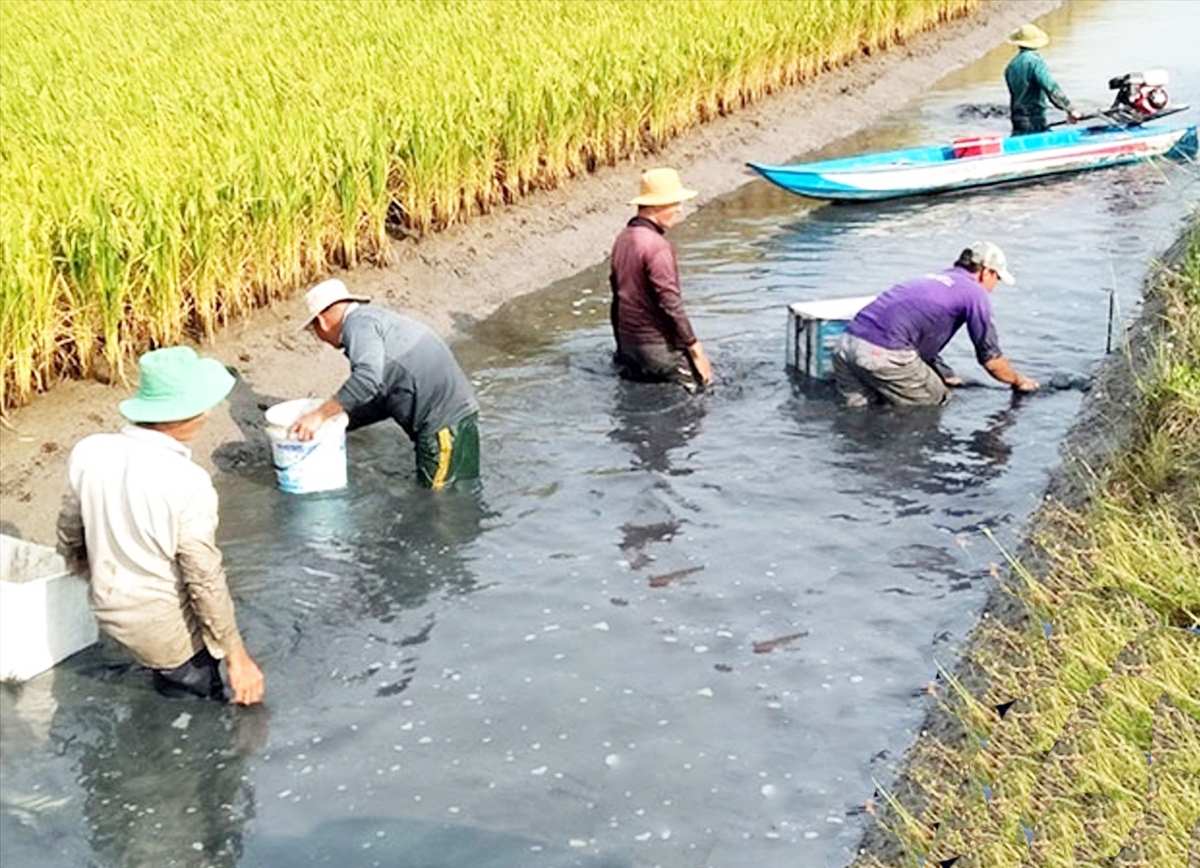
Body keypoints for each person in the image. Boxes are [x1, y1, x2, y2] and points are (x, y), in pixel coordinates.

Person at [56, 346, 265, 705]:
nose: (209, 412)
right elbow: (204, 579)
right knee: (201, 713)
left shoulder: (90, 451)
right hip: (166, 634)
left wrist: (78, 560)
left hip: (107, 610)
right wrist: (237, 656)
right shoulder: (189, 482)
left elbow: (69, 527)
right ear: (188, 413)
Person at [288, 278, 480, 490]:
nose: (318, 337)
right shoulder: (374, 319)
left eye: (313, 330)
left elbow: (367, 380)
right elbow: (384, 394)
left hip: (442, 427)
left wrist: (319, 415)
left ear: (321, 322)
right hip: (457, 416)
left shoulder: (357, 326)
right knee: (462, 491)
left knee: (439, 504)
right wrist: (338, 421)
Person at [831, 242, 1040, 407]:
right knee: (935, 402)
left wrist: (945, 372)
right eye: (997, 279)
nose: (994, 287)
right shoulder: (975, 293)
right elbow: (991, 360)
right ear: (987, 272)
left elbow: (916, 333)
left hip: (845, 345)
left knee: (859, 415)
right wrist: (1018, 381)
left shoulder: (932, 278)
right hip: (883, 355)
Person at [609, 167, 713, 392]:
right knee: (704, 395)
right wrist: (696, 351)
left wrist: (621, 350)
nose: (679, 209)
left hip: (630, 347)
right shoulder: (657, 247)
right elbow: (670, 304)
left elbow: (617, 300)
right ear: (657, 207)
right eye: (675, 203)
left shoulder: (623, 239)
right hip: (658, 350)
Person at [1004, 23, 1081, 134]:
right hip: (1034, 119)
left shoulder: (1011, 66)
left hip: (1017, 119)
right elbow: (1050, 87)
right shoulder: (1035, 62)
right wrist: (1070, 109)